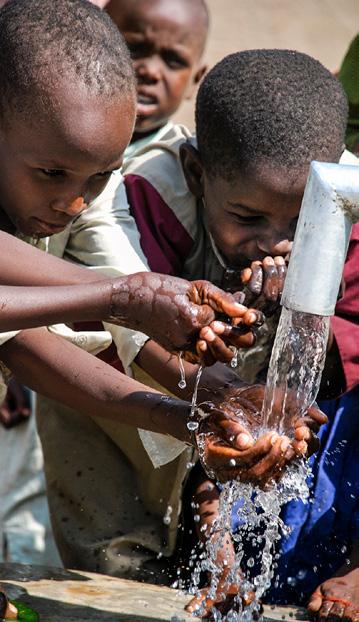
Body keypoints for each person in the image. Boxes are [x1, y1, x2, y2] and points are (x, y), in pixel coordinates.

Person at [0, 0, 280, 573]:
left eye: (99, 178)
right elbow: (102, 297)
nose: (74, 202)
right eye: (53, 175)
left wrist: (190, 403)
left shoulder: (56, 183)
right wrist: (125, 299)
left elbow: (26, 339)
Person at [119, 49, 359, 616]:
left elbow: (332, 369)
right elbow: (127, 342)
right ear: (198, 175)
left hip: (282, 407)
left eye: (300, 221)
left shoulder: (346, 196)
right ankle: (125, 570)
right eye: (249, 219)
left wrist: (299, 314)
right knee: (118, 551)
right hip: (153, 391)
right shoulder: (148, 202)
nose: (277, 242)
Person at [105, 0, 208, 159]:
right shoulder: (54, 138)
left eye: (173, 61)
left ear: (195, 80)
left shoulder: (184, 170)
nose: (151, 72)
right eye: (133, 48)